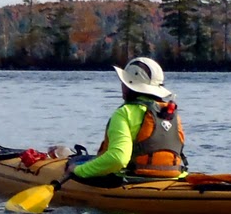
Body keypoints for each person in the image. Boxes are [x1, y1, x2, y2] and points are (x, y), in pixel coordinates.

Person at [65, 57, 186, 185]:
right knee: (85, 158)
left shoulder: (125, 113)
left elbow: (118, 159)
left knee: (75, 162)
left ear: (130, 85)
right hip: (173, 176)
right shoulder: (171, 114)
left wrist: (78, 170)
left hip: (132, 179)